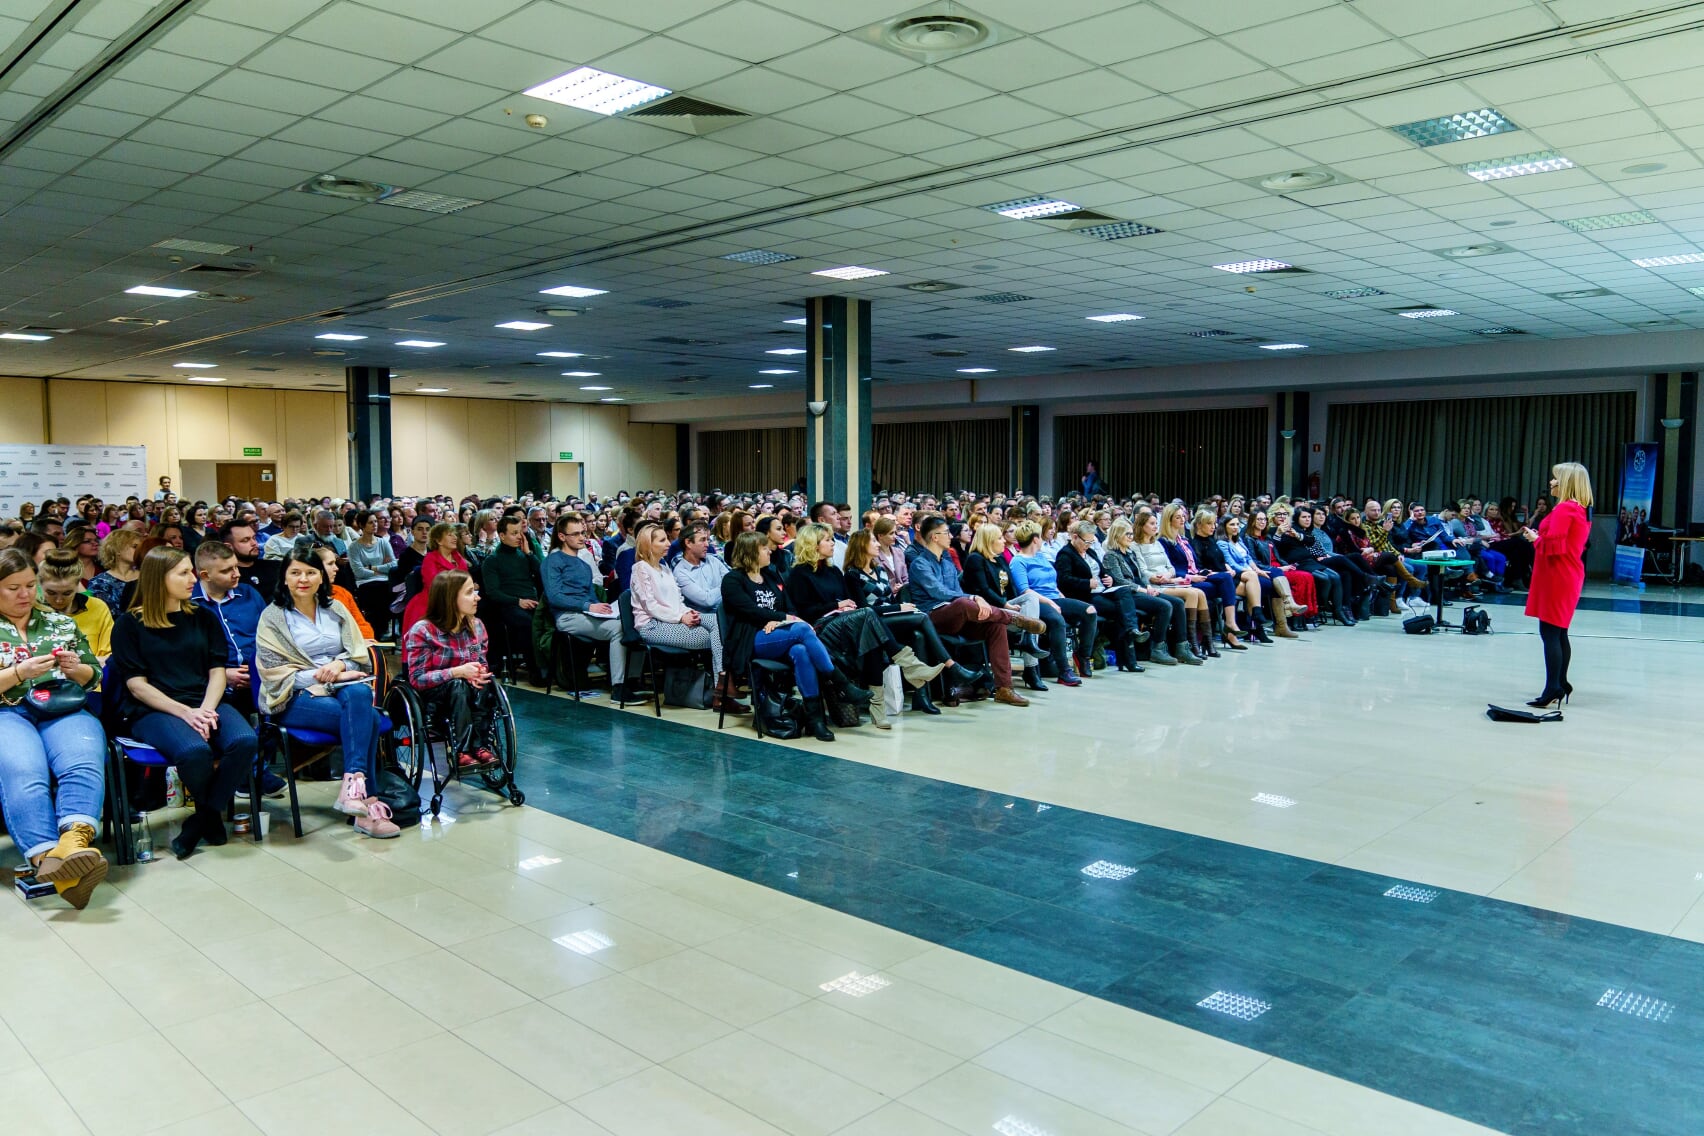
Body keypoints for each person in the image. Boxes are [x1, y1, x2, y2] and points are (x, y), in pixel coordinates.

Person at [110, 547, 258, 860]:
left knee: (245, 740)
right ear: (157, 579)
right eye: (183, 573)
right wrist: (187, 713)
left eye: (191, 571)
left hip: (204, 700)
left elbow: (217, 672)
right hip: (154, 709)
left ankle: (202, 819)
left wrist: (206, 710)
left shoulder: (202, 617)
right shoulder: (129, 624)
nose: (193, 579)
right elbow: (137, 686)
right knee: (194, 751)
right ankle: (211, 817)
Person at [256, 545, 394, 837]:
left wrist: (339, 665)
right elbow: (273, 672)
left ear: (321, 577)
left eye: (310, 572)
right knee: (368, 718)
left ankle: (353, 790)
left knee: (359, 695)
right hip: (292, 695)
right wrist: (325, 676)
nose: (303, 579)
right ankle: (367, 803)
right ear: (284, 578)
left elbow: (358, 655)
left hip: (341, 687)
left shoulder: (336, 609)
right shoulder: (273, 617)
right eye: (295, 573)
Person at [0, 548, 107, 908]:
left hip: (61, 706)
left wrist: (77, 669)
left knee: (83, 757)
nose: (25, 594)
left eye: (30, 585)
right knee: (24, 770)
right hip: (7, 711)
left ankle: (72, 844)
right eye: (13, 588)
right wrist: (18, 673)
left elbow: (94, 676)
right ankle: (51, 862)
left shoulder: (59, 622)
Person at [720, 531, 840, 741]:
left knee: (801, 651)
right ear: (750, 552)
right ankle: (839, 681)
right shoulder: (732, 580)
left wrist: (779, 621)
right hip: (749, 640)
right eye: (764, 548)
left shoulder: (770, 576)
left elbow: (790, 607)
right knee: (802, 629)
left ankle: (816, 721)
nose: (770, 551)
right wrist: (781, 618)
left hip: (775, 634)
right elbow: (751, 612)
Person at [910, 515, 1040, 706]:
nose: (950, 536)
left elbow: (957, 592)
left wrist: (974, 598)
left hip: (957, 616)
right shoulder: (919, 564)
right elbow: (938, 592)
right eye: (946, 532)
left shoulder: (947, 563)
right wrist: (972, 597)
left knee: (996, 626)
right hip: (933, 617)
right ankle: (1012, 618)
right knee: (964, 603)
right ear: (935, 537)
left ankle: (1004, 688)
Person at [629, 521, 745, 714]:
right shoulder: (641, 568)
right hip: (652, 626)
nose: (668, 543)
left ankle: (722, 686)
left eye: (667, 539)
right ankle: (722, 690)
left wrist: (687, 612)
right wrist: (680, 617)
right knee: (717, 637)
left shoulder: (664, 567)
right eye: (662, 540)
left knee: (719, 624)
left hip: (673, 619)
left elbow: (677, 600)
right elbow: (651, 606)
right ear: (648, 544)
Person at [403, 570, 504, 768]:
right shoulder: (423, 630)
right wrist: (457, 672)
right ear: (450, 598)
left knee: (485, 684)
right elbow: (417, 679)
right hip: (434, 698)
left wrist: (478, 672)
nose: (477, 597)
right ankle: (461, 751)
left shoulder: (477, 626)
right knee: (458, 685)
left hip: (468, 690)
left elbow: (479, 658)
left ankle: (480, 745)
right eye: (469, 592)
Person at [544, 512, 642, 701]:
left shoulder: (583, 562)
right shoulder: (553, 561)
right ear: (562, 536)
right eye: (575, 534)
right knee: (618, 629)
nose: (582, 537)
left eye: (582, 532)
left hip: (586, 612)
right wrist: (588, 606)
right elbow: (554, 597)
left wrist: (602, 608)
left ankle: (631, 680)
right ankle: (619, 687)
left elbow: (589, 594)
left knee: (636, 623)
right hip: (567, 616)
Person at [1525, 462, 1592, 709]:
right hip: (1566, 573)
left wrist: (1535, 538)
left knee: (1550, 633)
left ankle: (1552, 687)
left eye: (1555, 478)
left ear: (1566, 482)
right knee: (1559, 631)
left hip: (1558, 574)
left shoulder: (1565, 509)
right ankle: (1560, 682)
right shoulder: (1579, 508)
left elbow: (1554, 546)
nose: (1551, 482)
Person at [1130, 512, 1215, 659]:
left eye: (1156, 523)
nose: (1155, 526)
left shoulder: (1157, 543)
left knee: (1200, 593)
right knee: (1192, 593)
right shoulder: (1135, 546)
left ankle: (1205, 641)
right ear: (1141, 526)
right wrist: (1158, 579)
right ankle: (1189, 644)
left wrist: (1167, 576)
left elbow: (1171, 568)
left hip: (1167, 581)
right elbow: (1142, 571)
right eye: (1151, 523)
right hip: (1153, 585)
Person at [479, 515, 547, 685]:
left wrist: (529, 553)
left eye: (520, 532)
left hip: (532, 601)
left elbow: (542, 575)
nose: (519, 537)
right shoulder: (492, 560)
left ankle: (558, 669)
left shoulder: (524, 556)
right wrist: (518, 601)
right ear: (502, 536)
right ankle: (535, 670)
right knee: (527, 623)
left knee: (552, 619)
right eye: (514, 533)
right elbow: (493, 593)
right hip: (508, 605)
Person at [36, 549, 115, 662]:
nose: (59, 600)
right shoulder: (32, 611)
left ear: (78, 585)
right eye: (51, 593)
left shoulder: (97, 607)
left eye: (67, 593)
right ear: (39, 584)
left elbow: (109, 657)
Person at [401, 522, 468, 636]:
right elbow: (433, 584)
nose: (455, 537)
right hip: (433, 600)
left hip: (457, 598)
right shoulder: (430, 558)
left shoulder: (458, 557)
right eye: (449, 535)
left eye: (455, 535)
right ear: (438, 540)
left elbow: (466, 580)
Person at [346, 509, 397, 636]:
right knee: (375, 591)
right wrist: (382, 569)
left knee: (385, 590)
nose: (375, 525)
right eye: (370, 522)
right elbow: (358, 572)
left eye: (375, 521)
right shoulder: (354, 547)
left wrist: (371, 567)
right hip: (365, 583)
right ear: (362, 525)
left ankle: (381, 629)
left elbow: (393, 565)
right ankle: (377, 631)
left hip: (384, 582)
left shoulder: (383, 543)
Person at [88, 527, 143, 611]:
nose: (139, 551)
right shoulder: (98, 582)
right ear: (117, 549)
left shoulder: (146, 577)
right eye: (135, 546)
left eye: (140, 547)